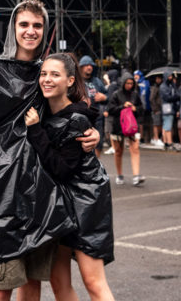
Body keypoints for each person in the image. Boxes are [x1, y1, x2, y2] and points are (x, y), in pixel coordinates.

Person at [0, 0, 99, 301]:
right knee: (1, 284)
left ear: (45, 30)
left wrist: (92, 132)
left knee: (32, 283)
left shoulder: (45, 74)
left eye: (37, 25)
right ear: (13, 28)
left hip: (39, 198)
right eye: (24, 24)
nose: (31, 31)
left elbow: (69, 114)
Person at [25, 53, 115, 301]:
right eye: (44, 74)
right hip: (60, 206)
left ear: (70, 81)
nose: (47, 79)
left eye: (55, 74)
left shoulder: (75, 119)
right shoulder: (46, 112)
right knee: (58, 283)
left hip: (86, 204)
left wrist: (35, 130)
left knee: (93, 282)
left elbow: (61, 168)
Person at [107, 71, 144, 186]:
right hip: (118, 126)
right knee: (118, 151)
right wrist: (122, 107)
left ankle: (136, 175)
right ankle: (119, 174)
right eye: (127, 83)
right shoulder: (116, 94)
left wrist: (134, 108)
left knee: (135, 149)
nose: (129, 85)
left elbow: (141, 109)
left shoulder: (135, 94)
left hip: (132, 126)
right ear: (123, 83)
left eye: (131, 83)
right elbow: (110, 109)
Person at [79, 55, 108, 157]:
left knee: (98, 143)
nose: (89, 67)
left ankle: (96, 164)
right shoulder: (76, 81)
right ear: (81, 67)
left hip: (97, 118)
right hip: (81, 117)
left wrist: (104, 97)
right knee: (82, 143)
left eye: (91, 65)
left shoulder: (97, 82)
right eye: (86, 65)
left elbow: (107, 96)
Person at [159, 69, 180, 151]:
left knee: (166, 125)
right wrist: (176, 97)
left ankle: (165, 142)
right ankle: (169, 143)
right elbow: (167, 97)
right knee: (168, 125)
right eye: (169, 76)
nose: (171, 77)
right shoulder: (163, 86)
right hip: (167, 107)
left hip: (169, 106)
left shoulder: (171, 85)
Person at [103, 68, 119, 155]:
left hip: (110, 111)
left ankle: (113, 146)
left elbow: (109, 99)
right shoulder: (118, 84)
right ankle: (115, 146)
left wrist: (106, 110)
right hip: (116, 110)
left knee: (109, 130)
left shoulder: (112, 86)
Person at [134, 70, 151, 142]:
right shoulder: (134, 83)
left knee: (141, 123)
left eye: (136, 75)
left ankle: (141, 137)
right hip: (135, 105)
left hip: (142, 106)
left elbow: (144, 95)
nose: (135, 77)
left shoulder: (144, 83)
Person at [149, 74, 165, 148]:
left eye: (159, 78)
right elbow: (151, 98)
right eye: (157, 79)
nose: (158, 80)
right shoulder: (155, 88)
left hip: (160, 108)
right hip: (156, 108)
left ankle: (156, 138)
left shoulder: (160, 87)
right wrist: (155, 108)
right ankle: (156, 138)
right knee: (156, 124)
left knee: (159, 124)